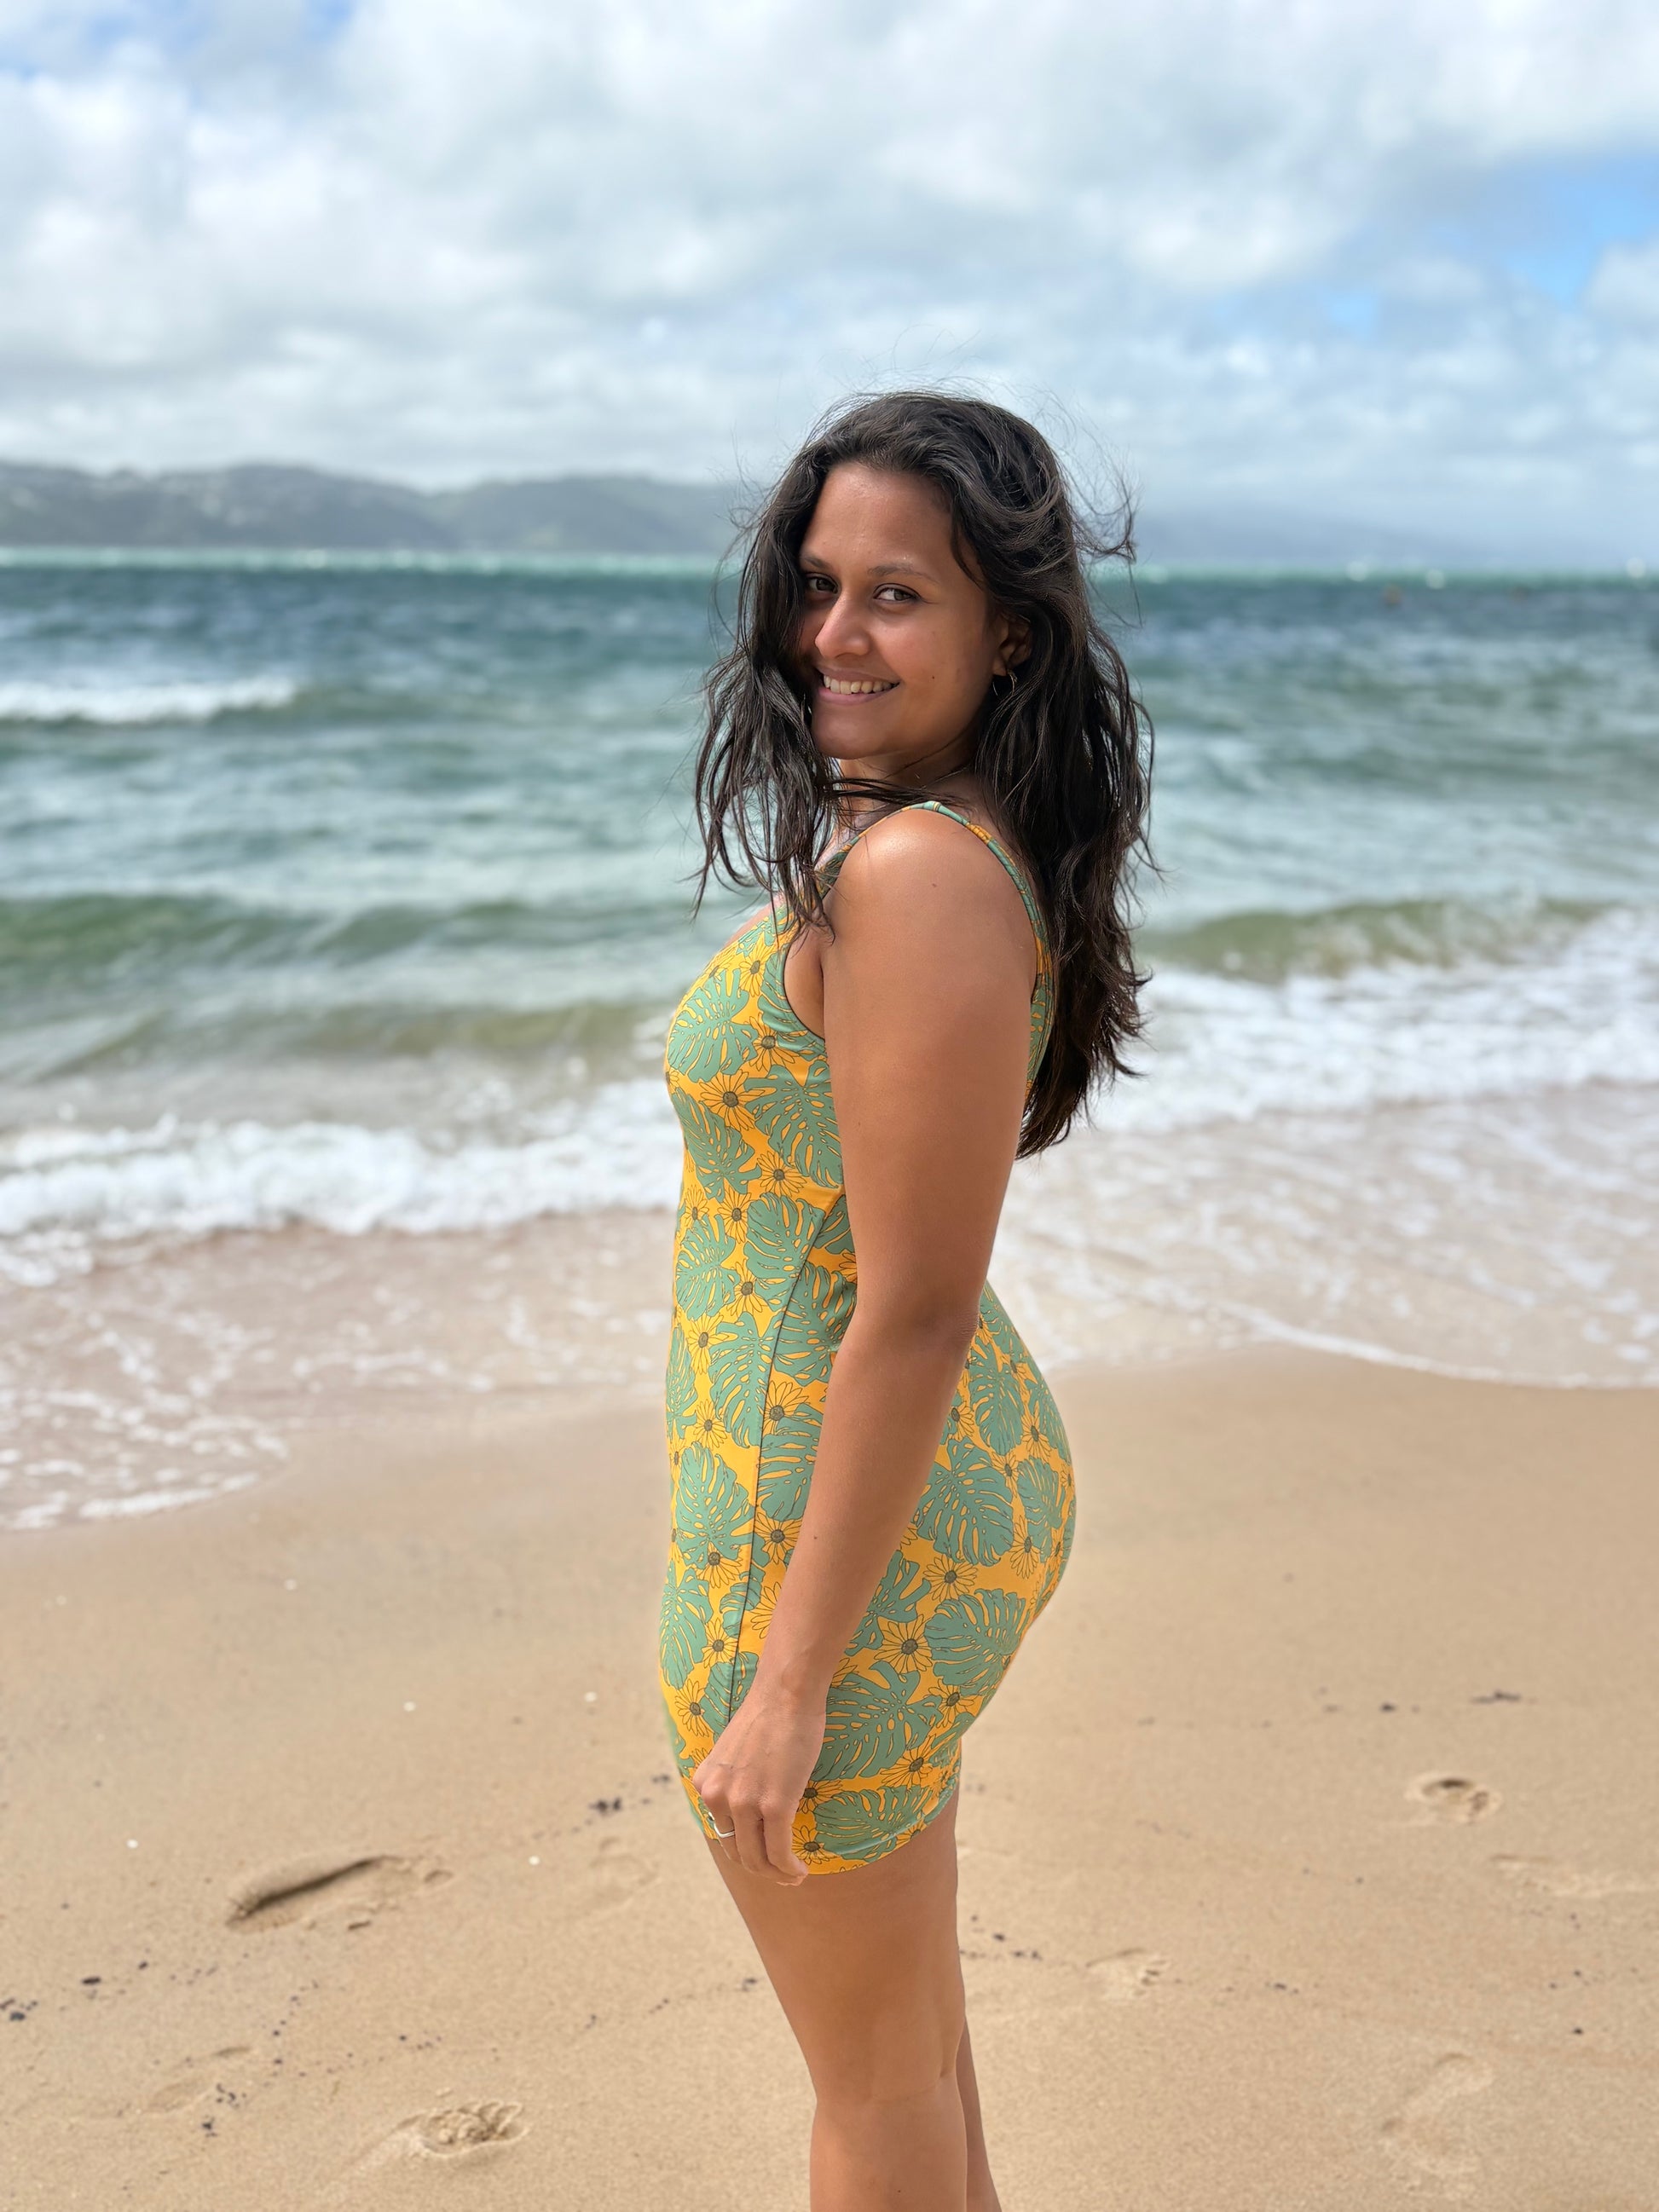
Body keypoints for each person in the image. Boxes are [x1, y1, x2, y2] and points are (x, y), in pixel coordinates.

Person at [660, 390, 1151, 2210]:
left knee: (871, 2093)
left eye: (896, 593)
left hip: (829, 1538)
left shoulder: (922, 875)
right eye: (818, 584)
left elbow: (919, 1306)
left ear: (1006, 630)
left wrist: (788, 1678)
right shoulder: (943, 844)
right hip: (878, 1508)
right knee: (909, 2056)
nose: (834, 634)